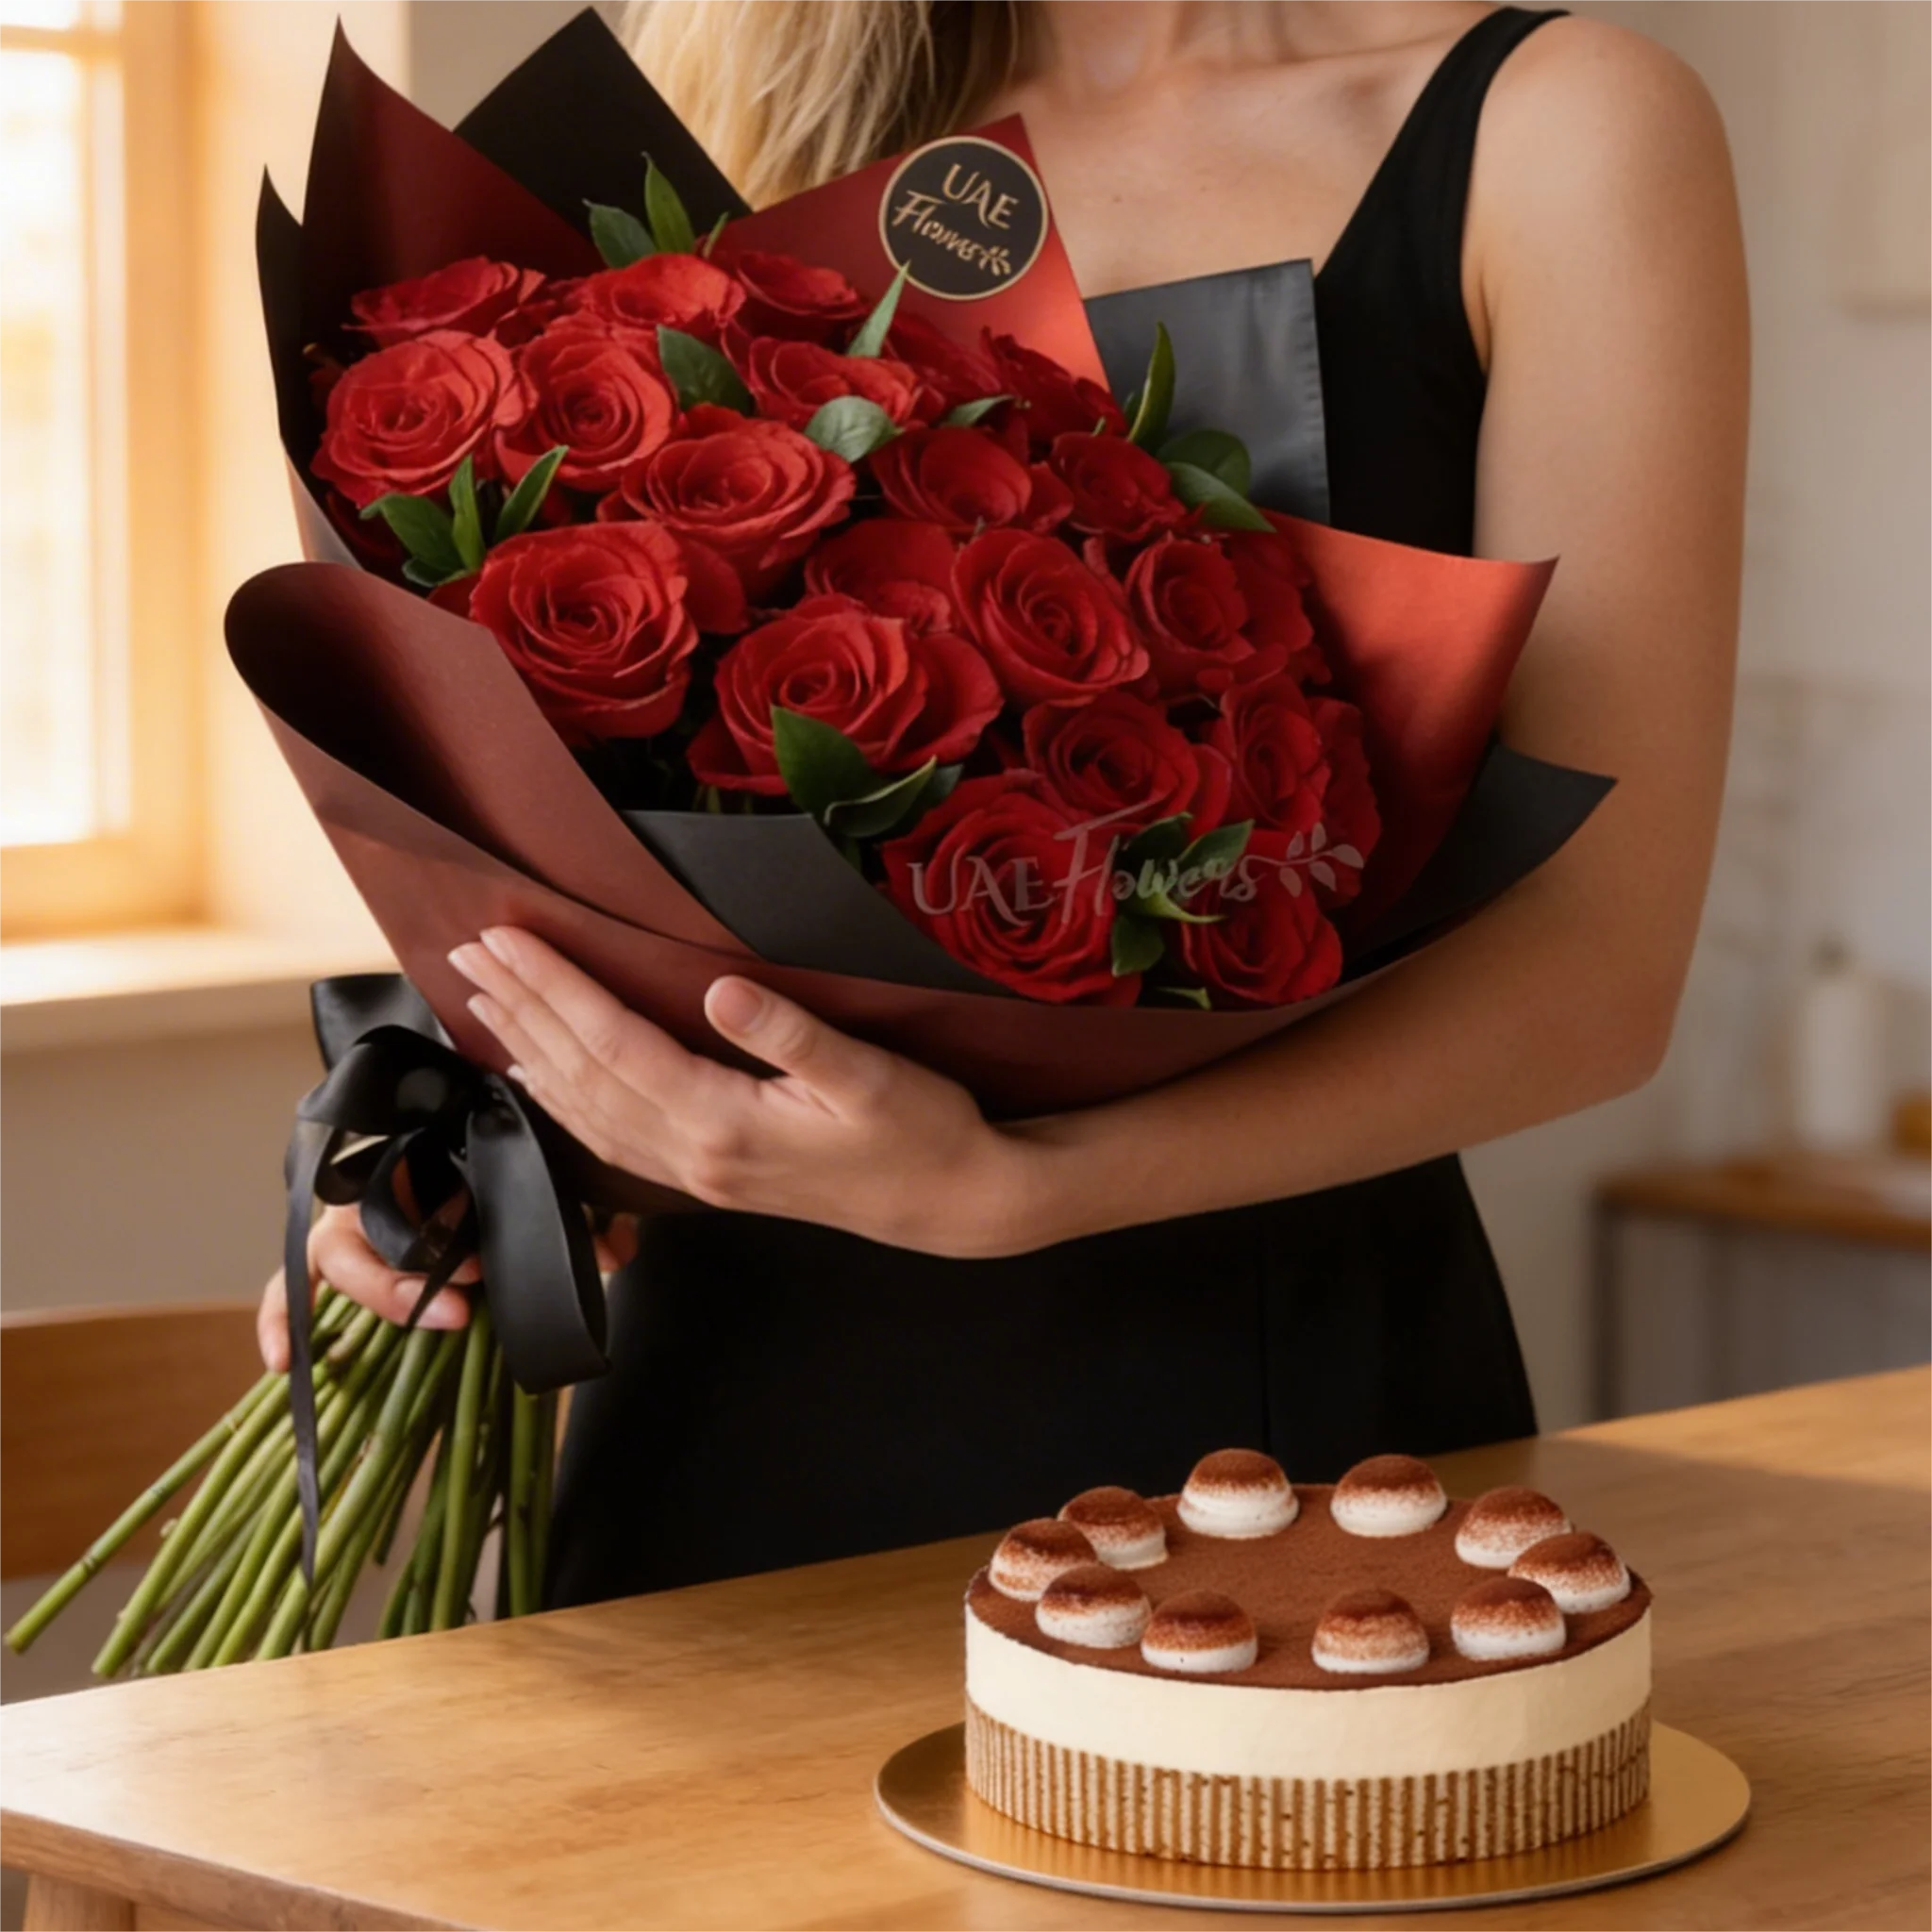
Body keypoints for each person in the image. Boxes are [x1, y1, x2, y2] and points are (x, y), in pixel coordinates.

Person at [259, 0, 1748, 1605]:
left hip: (1249, 1465)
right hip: (698, 1427)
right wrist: (476, 1139)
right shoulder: (735, 91)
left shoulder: (1558, 126)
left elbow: (1598, 975)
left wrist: (1024, 1191)